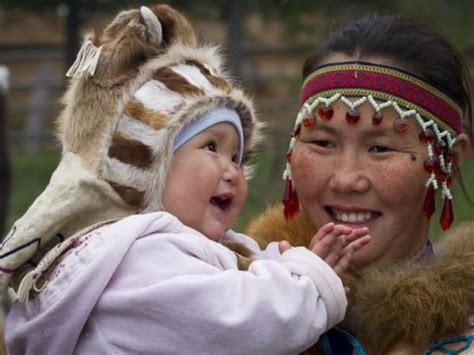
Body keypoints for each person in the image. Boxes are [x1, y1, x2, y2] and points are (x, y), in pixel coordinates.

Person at [0, 5, 371, 354]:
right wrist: (313, 280)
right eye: (211, 147)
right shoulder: (140, 258)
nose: (231, 171)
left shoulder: (182, 248)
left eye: (237, 157)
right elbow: (246, 320)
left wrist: (289, 263)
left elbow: (241, 276)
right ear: (148, 168)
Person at [246, 14, 474, 354]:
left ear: (449, 158)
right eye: (323, 143)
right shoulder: (227, 296)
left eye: (380, 148)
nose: (346, 179)